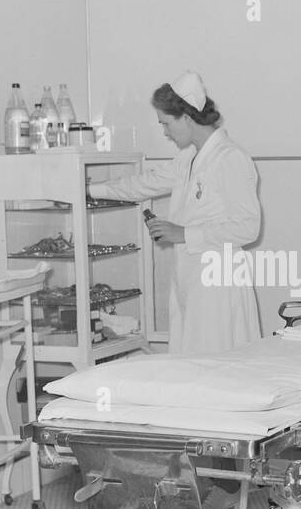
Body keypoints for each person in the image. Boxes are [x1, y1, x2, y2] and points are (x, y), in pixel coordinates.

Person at [96, 71, 262, 354]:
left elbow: (248, 227)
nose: (164, 132)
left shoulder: (230, 158)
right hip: (190, 279)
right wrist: (91, 190)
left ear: (186, 117)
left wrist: (183, 233)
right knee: (192, 363)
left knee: (217, 368)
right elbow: (144, 184)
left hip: (217, 283)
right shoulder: (189, 158)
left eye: (166, 123)